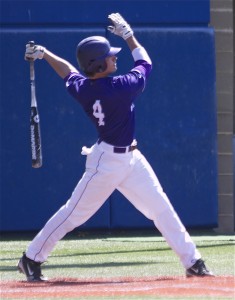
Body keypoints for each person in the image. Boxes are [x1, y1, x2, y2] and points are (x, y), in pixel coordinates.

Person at [18, 13, 214, 282]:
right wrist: (129, 35)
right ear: (98, 64)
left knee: (161, 208)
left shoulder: (84, 88)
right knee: (73, 214)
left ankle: (193, 261)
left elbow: (67, 71)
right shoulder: (121, 87)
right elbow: (145, 62)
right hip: (106, 163)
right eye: (109, 56)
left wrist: (44, 53)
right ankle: (30, 258)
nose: (114, 57)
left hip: (131, 159)